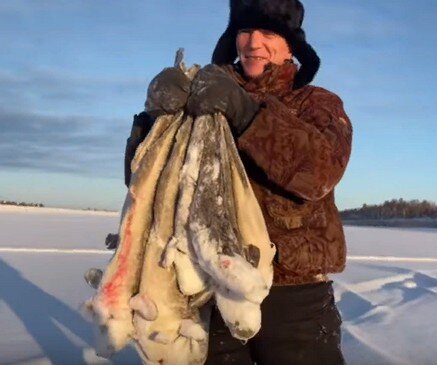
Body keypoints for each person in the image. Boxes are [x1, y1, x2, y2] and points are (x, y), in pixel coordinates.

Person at [124, 0, 352, 364]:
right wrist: (154, 118)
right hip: (212, 287)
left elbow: (319, 173)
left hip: (293, 294)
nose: (253, 42)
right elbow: (146, 183)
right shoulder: (201, 101)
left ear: (292, 46)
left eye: (269, 33)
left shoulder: (317, 103)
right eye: (245, 31)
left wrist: (248, 115)